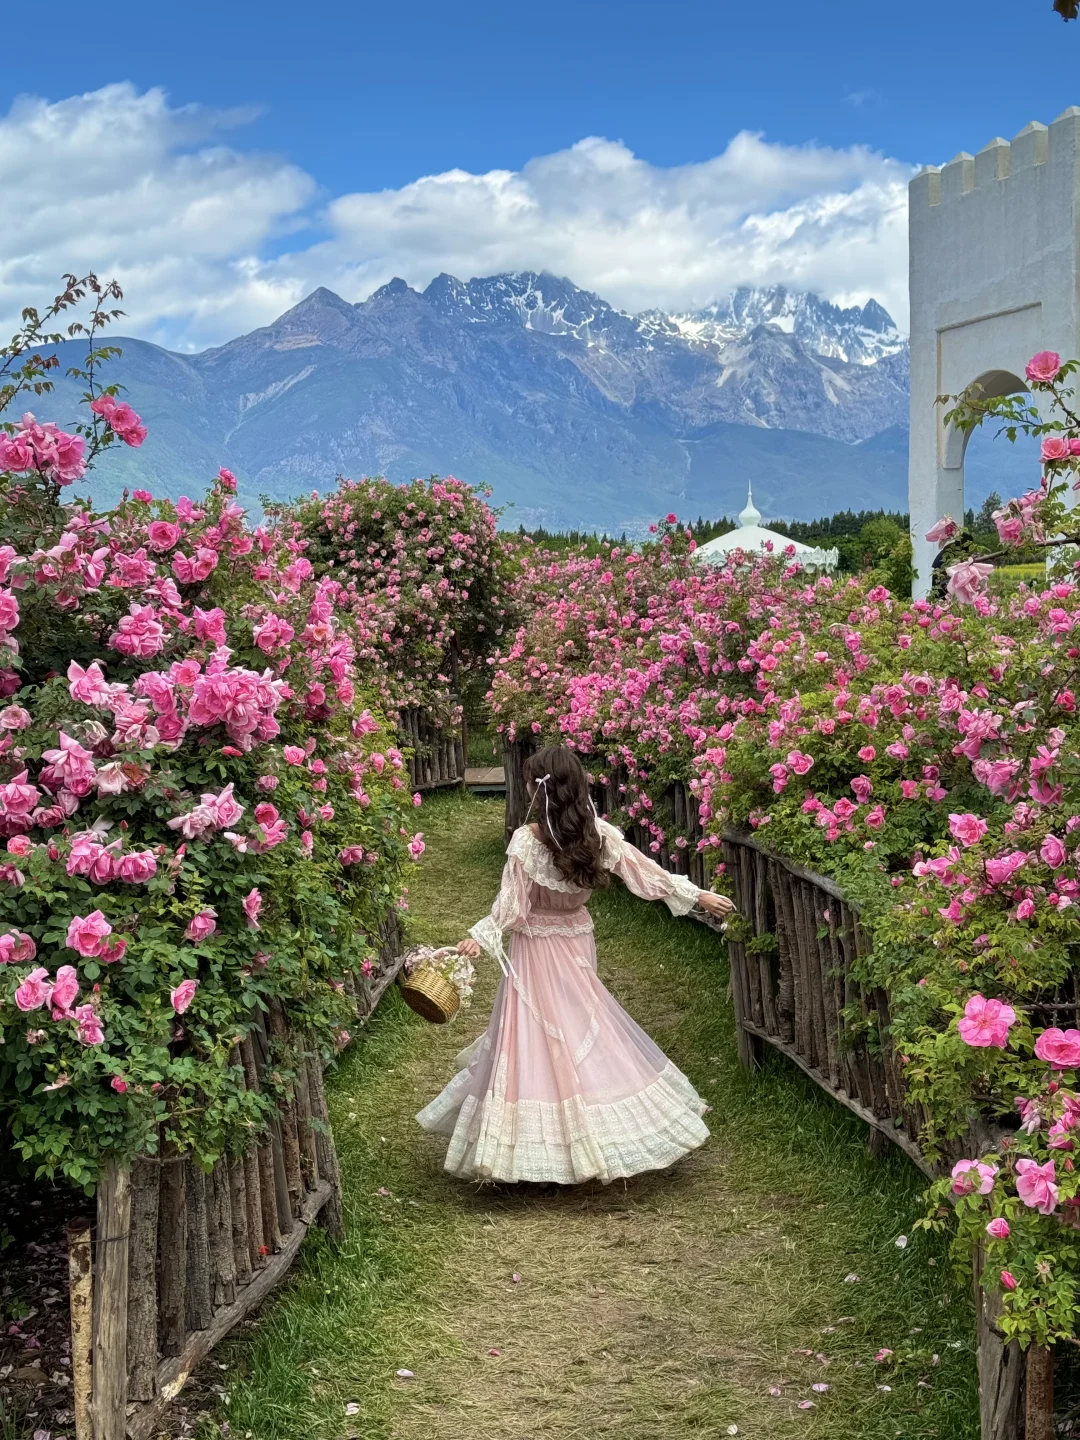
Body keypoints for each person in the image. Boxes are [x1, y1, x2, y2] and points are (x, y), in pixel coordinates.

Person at [416, 744, 735, 1185]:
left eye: (530, 781)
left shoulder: (528, 841)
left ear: (539, 788)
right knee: (583, 1023)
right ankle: (593, 1133)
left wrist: (479, 936)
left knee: (533, 1032)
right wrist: (696, 894)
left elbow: (511, 906)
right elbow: (645, 873)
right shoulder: (597, 834)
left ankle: (532, 1150)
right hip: (576, 940)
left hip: (536, 949)